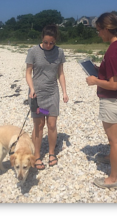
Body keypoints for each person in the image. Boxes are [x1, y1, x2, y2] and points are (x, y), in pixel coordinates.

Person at [85, 13, 117, 189]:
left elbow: (113, 84)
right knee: (116, 137)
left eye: (99, 30)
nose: (98, 34)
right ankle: (112, 157)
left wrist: (95, 81)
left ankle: (113, 179)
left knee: (115, 141)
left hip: (114, 101)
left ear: (106, 29)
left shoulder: (113, 50)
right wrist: (100, 70)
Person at [25, 24, 69, 170]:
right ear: (42, 39)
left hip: (52, 94)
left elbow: (60, 73)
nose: (49, 45)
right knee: (39, 125)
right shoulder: (33, 51)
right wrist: (31, 89)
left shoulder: (59, 52)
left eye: (52, 43)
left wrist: (64, 92)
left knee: (51, 124)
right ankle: (36, 155)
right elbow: (28, 73)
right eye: (46, 42)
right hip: (37, 95)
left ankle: (51, 153)